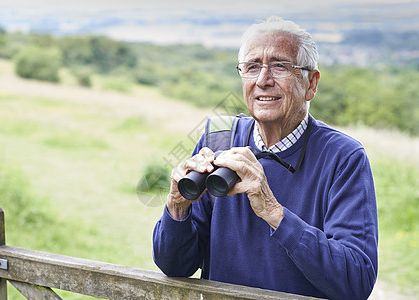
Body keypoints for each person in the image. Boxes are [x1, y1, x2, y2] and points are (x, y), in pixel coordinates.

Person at [153, 16, 378, 300]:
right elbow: (175, 266)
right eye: (252, 67)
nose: (263, 80)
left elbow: (356, 281)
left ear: (311, 84)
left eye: (279, 66)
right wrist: (177, 207)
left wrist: (274, 213)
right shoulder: (218, 139)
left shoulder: (343, 158)